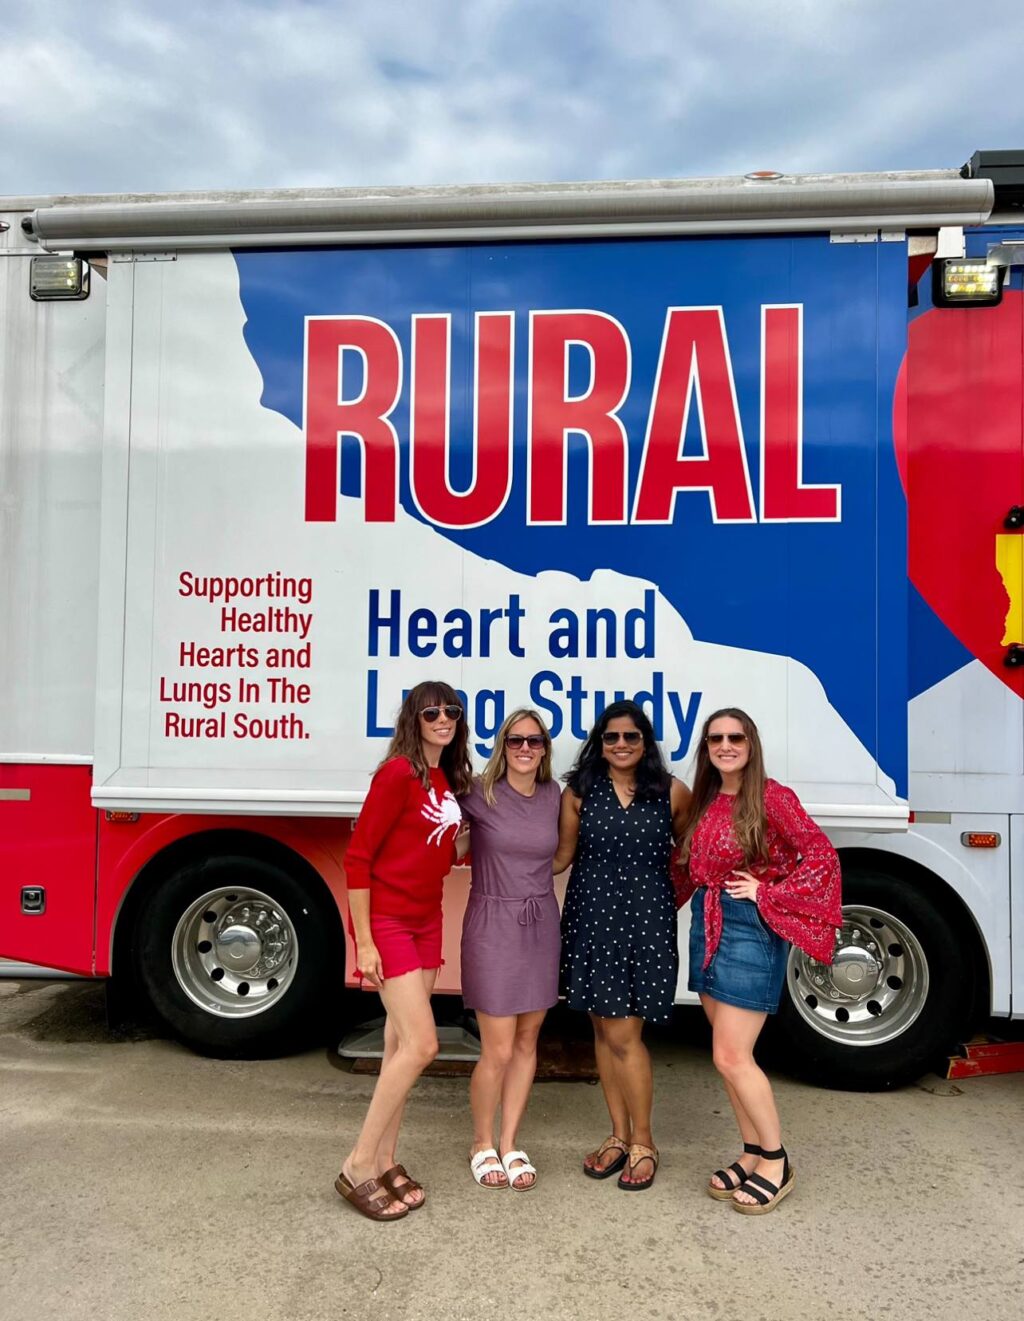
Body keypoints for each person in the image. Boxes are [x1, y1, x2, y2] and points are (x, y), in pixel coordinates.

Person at [672, 707, 842, 1215]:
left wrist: (768, 892)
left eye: (735, 738)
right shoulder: (705, 799)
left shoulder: (772, 797)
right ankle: (750, 1153)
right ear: (706, 748)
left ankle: (777, 1160)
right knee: (727, 1058)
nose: (725, 746)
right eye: (716, 738)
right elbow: (685, 865)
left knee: (731, 1055)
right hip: (708, 925)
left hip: (749, 928)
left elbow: (821, 856)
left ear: (751, 744)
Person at [336, 681, 473, 1222]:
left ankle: (387, 1161)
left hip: (426, 921)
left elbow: (442, 847)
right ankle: (357, 1163)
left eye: (452, 712)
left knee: (398, 1047)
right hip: (390, 924)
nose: (443, 719)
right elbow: (358, 858)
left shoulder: (445, 778)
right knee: (422, 1045)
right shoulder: (397, 774)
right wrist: (364, 940)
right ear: (414, 719)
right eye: (432, 712)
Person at [555, 700, 691, 1191]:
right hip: (591, 922)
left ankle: (644, 1142)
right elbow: (561, 858)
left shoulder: (672, 792)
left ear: (645, 742)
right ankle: (618, 1134)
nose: (620, 745)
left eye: (630, 737)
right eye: (611, 737)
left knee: (625, 1036)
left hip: (646, 926)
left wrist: (661, 904)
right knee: (604, 1031)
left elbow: (691, 856)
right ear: (599, 743)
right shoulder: (579, 793)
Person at [459, 709, 561, 1191]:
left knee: (526, 1041)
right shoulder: (478, 793)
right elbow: (446, 839)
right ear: (503, 745)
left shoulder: (552, 795)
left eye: (535, 741)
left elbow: (560, 854)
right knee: (497, 1048)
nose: (525, 749)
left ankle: (510, 1140)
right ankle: (481, 1141)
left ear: (545, 748)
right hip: (493, 924)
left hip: (540, 924)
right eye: (516, 740)